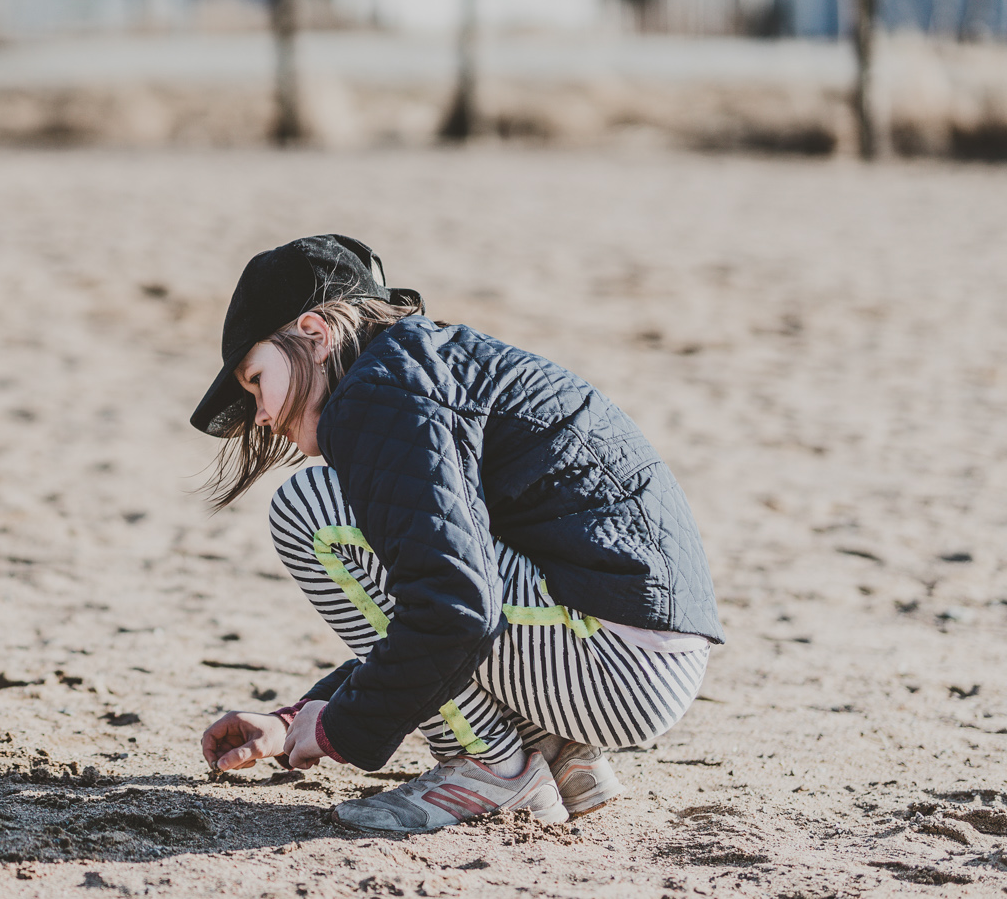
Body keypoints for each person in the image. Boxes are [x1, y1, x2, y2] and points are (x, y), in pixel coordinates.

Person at [194, 236, 721, 834]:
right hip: (639, 659)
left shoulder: (376, 392)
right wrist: (296, 717)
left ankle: (489, 765)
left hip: (612, 662)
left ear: (314, 335)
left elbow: (456, 610)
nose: (259, 413)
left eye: (255, 378)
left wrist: (337, 730)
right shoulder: (421, 370)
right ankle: (553, 749)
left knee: (309, 509)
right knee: (417, 560)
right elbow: (444, 590)